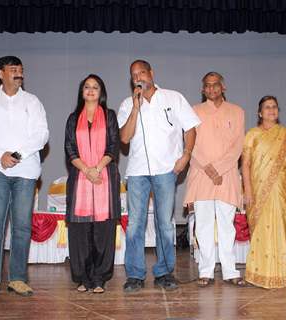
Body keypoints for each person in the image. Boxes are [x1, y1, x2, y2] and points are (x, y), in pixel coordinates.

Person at [117, 60, 200, 292]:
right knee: (134, 225)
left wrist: (186, 155)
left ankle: (164, 272)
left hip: (166, 170)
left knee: (164, 223)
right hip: (137, 172)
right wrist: (136, 107)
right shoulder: (127, 104)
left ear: (151, 73)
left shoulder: (174, 98)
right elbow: (124, 138)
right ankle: (134, 274)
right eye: (134, 75)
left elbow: (191, 128)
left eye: (141, 72)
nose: (138, 77)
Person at [0, 56, 49, 297]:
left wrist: (16, 154)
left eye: (21, 70)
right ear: (0, 73)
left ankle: (18, 278)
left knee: (22, 226)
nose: (18, 73)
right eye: (13, 69)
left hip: (25, 171)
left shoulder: (32, 101)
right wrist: (0, 154)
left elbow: (42, 134)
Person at [184, 72, 246, 287]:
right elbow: (190, 144)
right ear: (203, 90)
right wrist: (209, 169)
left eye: (215, 85)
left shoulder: (237, 111)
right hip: (201, 174)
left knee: (227, 225)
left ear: (223, 87)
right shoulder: (193, 111)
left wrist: (218, 169)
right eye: (207, 86)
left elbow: (238, 145)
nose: (211, 89)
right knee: (203, 224)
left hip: (227, 175)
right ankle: (206, 271)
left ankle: (230, 271)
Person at [64, 74, 121, 294]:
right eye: (86, 87)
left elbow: (113, 145)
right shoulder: (73, 118)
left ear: (101, 92)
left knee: (103, 232)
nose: (90, 90)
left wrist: (97, 168)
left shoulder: (109, 116)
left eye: (95, 87)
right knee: (80, 232)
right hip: (80, 179)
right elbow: (70, 149)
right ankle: (82, 278)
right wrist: (86, 170)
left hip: (104, 177)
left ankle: (100, 278)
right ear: (81, 91)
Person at [242, 96, 286, 289]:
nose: (271, 110)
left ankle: (279, 275)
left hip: (282, 187)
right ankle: (257, 274)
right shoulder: (252, 134)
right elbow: (246, 164)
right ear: (260, 112)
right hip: (258, 189)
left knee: (279, 229)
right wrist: (247, 189)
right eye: (267, 107)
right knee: (260, 231)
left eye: (274, 107)